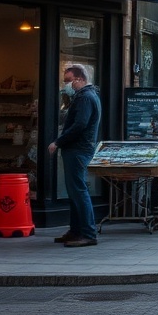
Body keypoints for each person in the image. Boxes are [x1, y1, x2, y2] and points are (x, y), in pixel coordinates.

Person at [48, 64, 101, 248]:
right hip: (79, 149)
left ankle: (87, 233)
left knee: (78, 191)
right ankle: (76, 231)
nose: (66, 85)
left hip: (78, 149)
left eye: (68, 81)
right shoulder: (87, 96)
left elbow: (80, 125)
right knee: (75, 192)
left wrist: (58, 142)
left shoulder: (85, 97)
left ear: (80, 79)